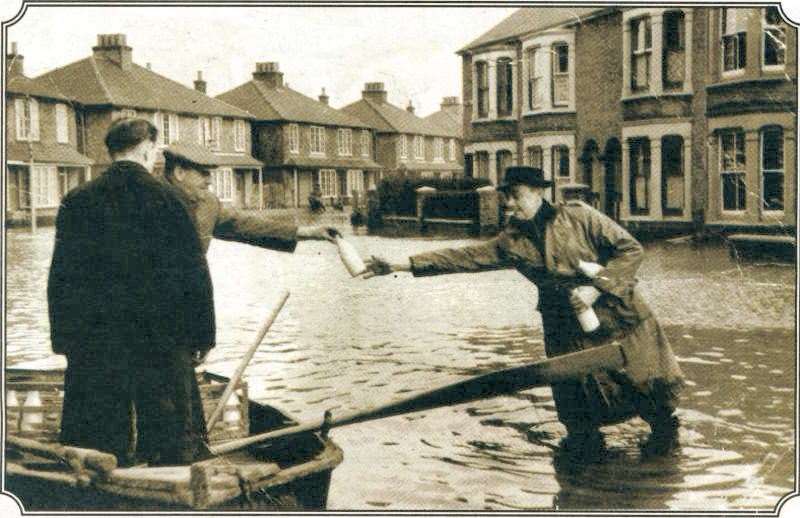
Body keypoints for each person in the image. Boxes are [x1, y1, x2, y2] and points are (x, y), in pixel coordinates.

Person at [364, 166, 684, 459]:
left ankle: (664, 448)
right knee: (576, 407)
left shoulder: (580, 216)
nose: (509, 204)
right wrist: (397, 265)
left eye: (515, 195)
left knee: (644, 388)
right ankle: (583, 480)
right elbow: (463, 257)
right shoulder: (512, 241)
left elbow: (631, 249)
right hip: (562, 325)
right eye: (506, 197)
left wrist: (595, 287)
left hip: (616, 315)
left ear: (538, 192)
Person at [48, 118, 215, 466]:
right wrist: (202, 336)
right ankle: (170, 479)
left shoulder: (78, 200)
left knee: (97, 431)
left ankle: (99, 484)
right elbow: (194, 274)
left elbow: (61, 277)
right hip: (160, 334)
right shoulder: (169, 200)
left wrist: (64, 339)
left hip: (97, 334)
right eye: (154, 150)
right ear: (146, 149)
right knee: (170, 431)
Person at [161, 144, 334, 265]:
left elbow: (247, 226)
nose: (209, 181)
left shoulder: (208, 204)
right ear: (179, 172)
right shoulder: (148, 202)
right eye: (203, 173)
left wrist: (306, 232)